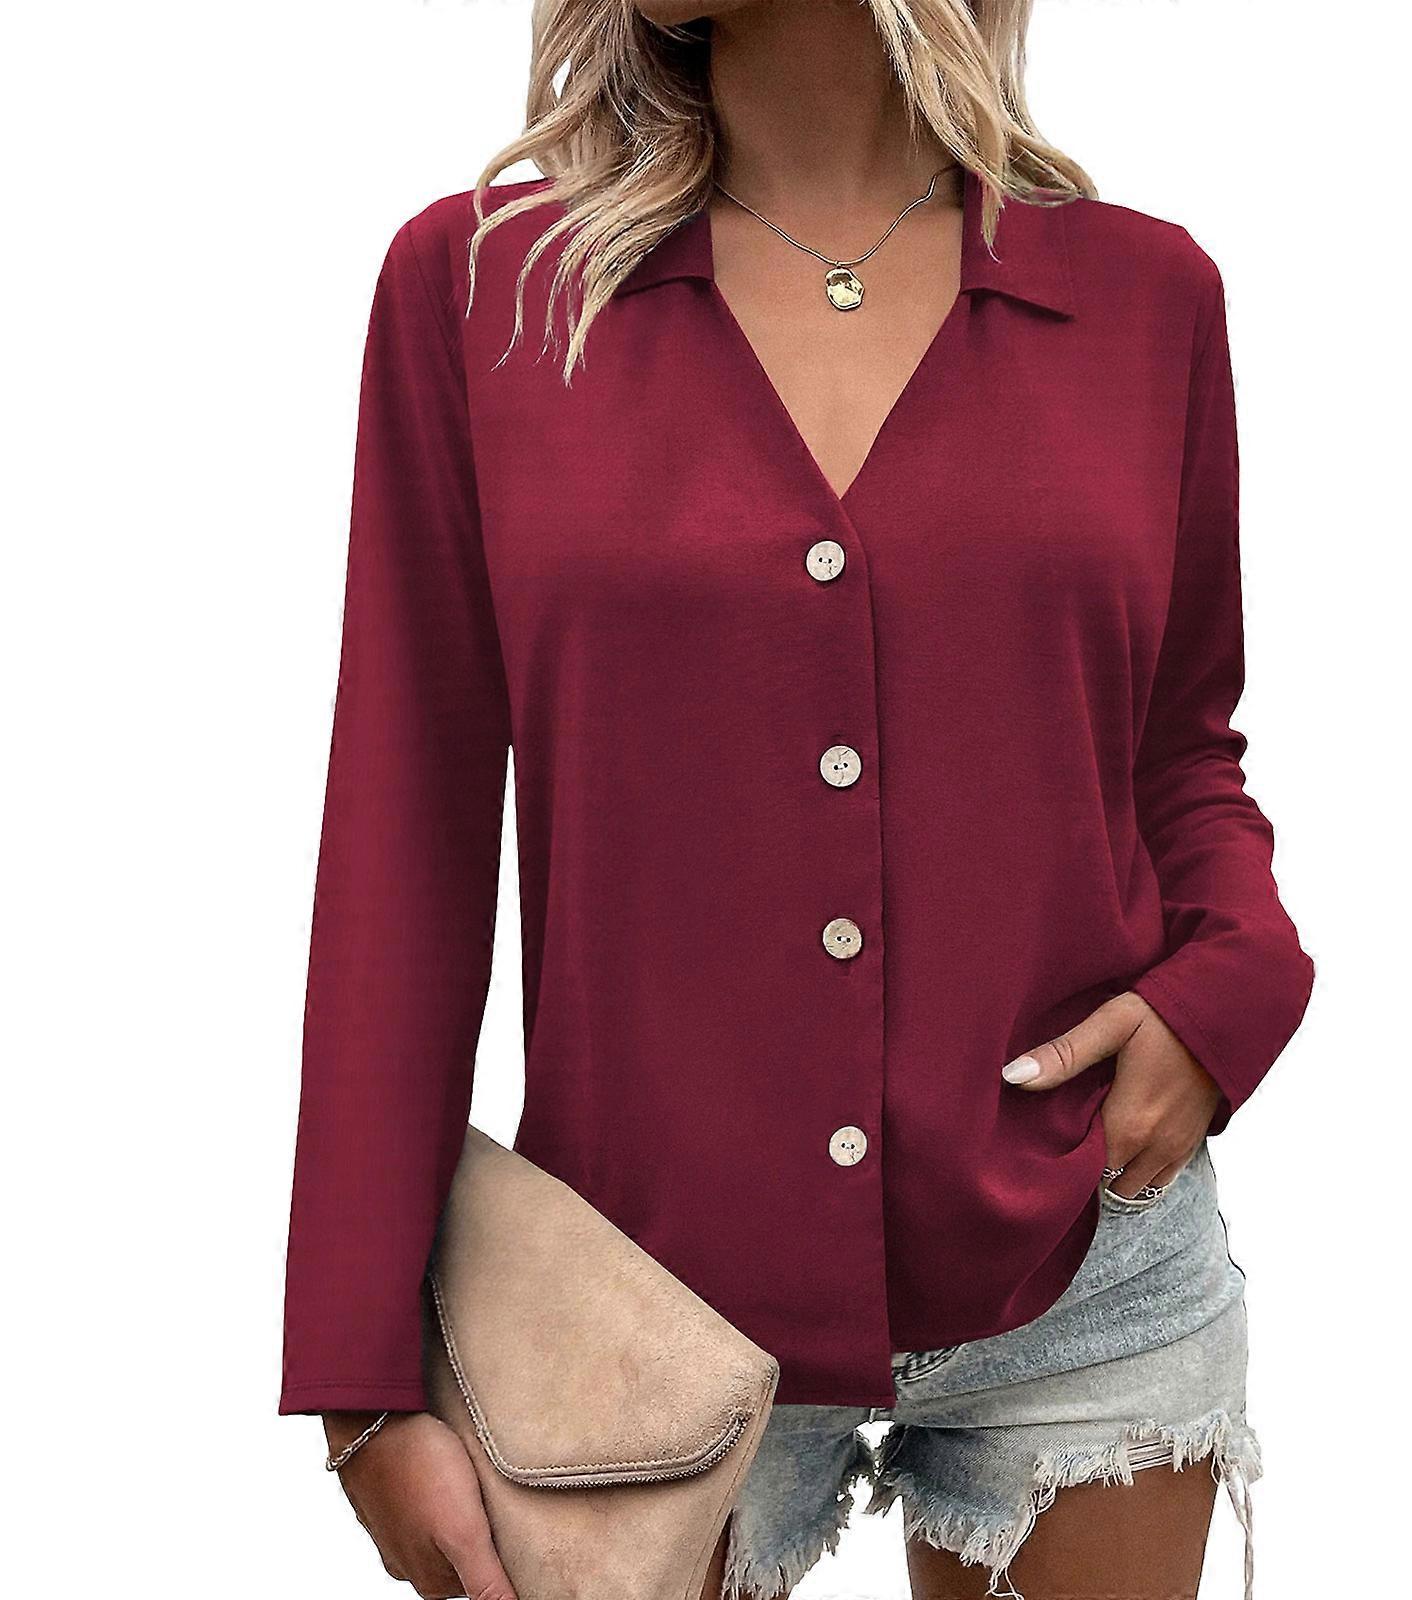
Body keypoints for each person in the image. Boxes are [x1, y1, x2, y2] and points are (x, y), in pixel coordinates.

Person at [280, 3, 1314, 1596]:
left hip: (1087, 1260)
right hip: (635, 1305)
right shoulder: (486, 292)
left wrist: (1230, 990)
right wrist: (360, 1381)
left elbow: (1180, 748)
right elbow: (403, 834)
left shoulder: (1144, 299)